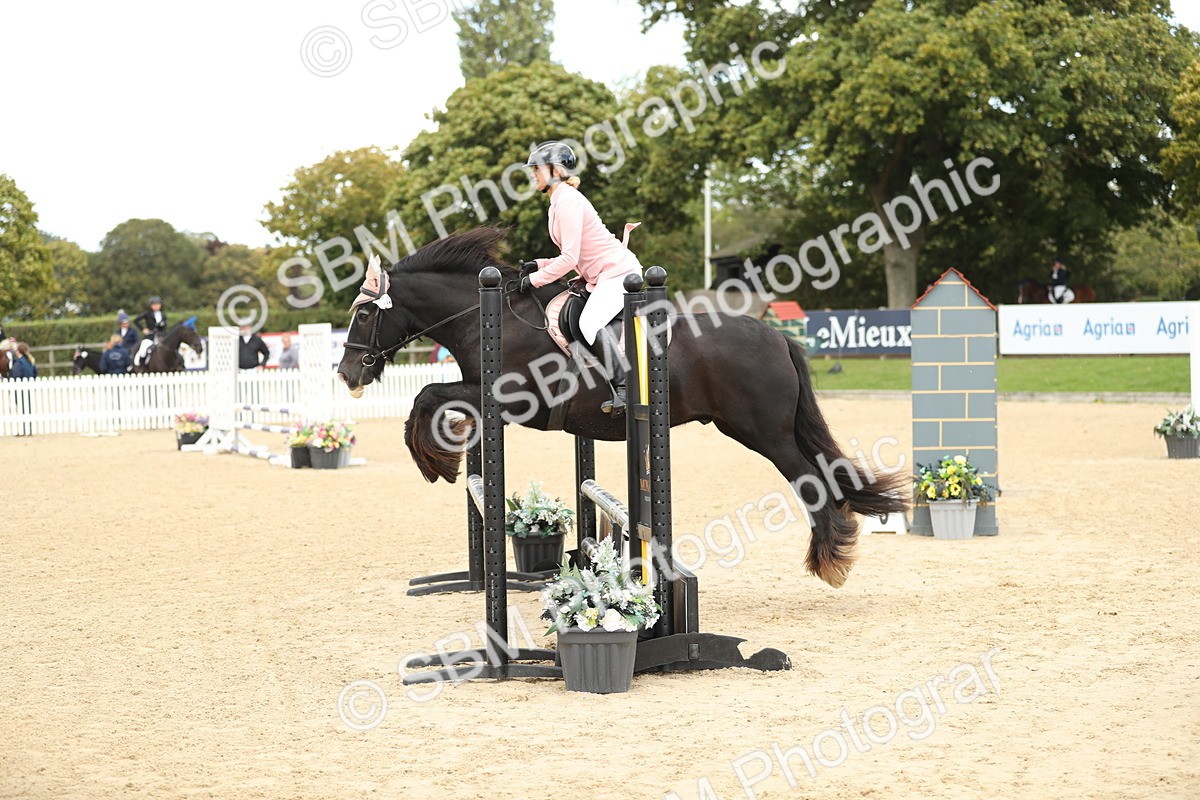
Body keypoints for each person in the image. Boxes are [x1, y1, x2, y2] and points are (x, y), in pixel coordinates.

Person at [517, 140, 643, 414]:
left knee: (589, 323)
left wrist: (535, 280)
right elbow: (571, 255)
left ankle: (625, 388)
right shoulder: (558, 202)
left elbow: (570, 260)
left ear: (554, 170)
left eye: (537, 169)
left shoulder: (568, 202)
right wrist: (537, 264)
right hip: (602, 274)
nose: (533, 174)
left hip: (618, 273)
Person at [133, 296, 168, 366]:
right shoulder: (147, 314)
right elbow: (136, 321)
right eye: (154, 305)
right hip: (151, 335)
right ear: (151, 306)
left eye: (158, 304)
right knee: (143, 348)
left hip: (161, 335)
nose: (156, 306)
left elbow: (165, 326)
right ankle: (141, 365)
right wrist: (143, 329)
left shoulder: (163, 314)